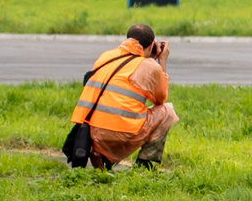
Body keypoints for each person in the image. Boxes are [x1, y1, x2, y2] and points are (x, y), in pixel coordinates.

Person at [72, 22, 177, 168]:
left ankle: (101, 170)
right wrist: (161, 61)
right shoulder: (148, 66)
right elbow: (161, 98)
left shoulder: (106, 57)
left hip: (92, 133)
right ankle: (145, 165)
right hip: (123, 133)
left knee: (103, 120)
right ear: (152, 45)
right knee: (167, 112)